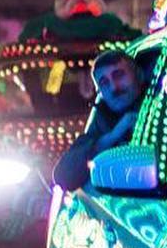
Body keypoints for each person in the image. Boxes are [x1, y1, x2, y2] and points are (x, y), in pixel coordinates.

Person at [53, 49, 145, 192]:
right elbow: (64, 177)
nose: (114, 87)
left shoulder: (163, 101)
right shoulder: (102, 119)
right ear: (100, 93)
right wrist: (113, 136)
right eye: (104, 83)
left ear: (138, 75)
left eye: (119, 75)